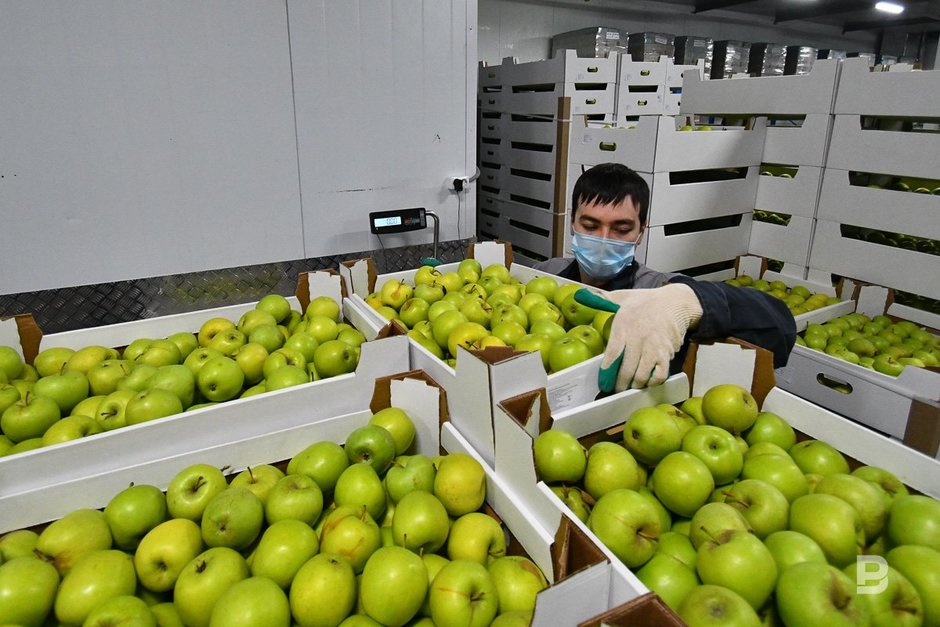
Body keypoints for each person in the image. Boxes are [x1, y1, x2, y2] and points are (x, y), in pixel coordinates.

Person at [535, 162, 796, 392]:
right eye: (590, 226)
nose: (604, 240)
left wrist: (690, 302)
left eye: (621, 229)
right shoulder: (547, 275)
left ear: (641, 232)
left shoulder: (657, 289)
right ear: (573, 222)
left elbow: (780, 328)